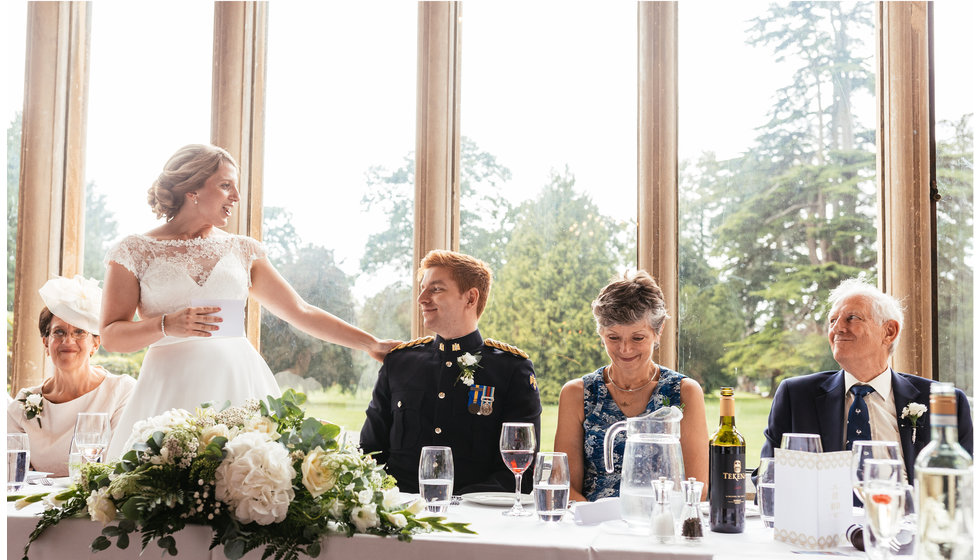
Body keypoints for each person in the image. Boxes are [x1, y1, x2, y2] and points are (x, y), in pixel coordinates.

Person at [103, 144, 397, 459]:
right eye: (225, 185)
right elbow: (111, 334)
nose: (236, 197)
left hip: (239, 384)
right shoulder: (135, 250)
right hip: (168, 388)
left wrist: (371, 344)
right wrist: (166, 324)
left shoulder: (243, 250)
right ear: (192, 189)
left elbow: (301, 311)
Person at [360, 250, 542, 494]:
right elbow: (369, 453)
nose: (421, 298)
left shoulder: (511, 368)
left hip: (474, 520)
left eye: (435, 289)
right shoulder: (399, 363)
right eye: (423, 288)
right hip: (399, 515)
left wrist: (461, 507)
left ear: (470, 298)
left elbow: (520, 470)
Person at [761, 278, 973, 482]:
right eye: (832, 320)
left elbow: (965, 485)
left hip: (910, 516)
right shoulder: (796, 396)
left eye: (852, 318)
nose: (837, 329)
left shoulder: (942, 401)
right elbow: (767, 478)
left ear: (889, 331)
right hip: (825, 517)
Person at [554, 271, 709, 502]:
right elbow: (564, 485)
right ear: (601, 333)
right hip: (592, 526)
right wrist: (596, 521)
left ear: (658, 332)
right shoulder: (577, 394)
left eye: (638, 338)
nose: (625, 349)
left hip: (661, 524)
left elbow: (697, 488)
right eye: (613, 338)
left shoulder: (684, 391)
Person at [7, 276, 136, 476]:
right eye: (59, 332)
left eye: (79, 332)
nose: (68, 340)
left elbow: (118, 466)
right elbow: (11, 471)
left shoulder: (121, 391)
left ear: (95, 343)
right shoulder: (22, 404)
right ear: (45, 343)